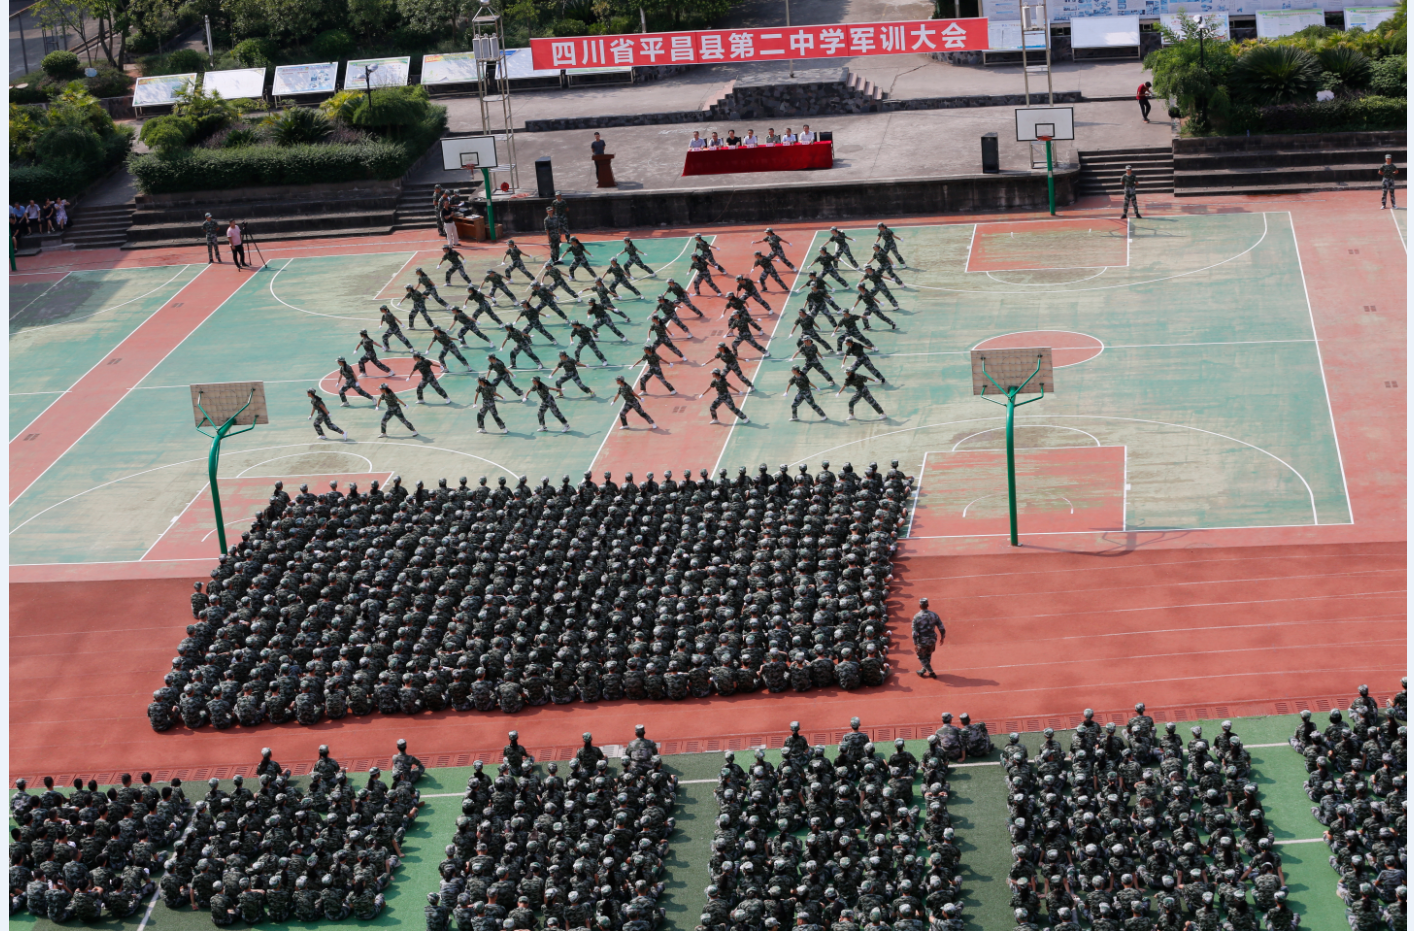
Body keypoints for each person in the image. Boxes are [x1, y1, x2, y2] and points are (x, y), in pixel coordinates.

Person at [911, 598, 945, 678]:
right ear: (927, 605)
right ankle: (922, 671)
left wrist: (915, 643)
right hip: (932, 638)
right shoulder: (934, 615)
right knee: (928, 654)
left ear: (920, 606)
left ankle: (931, 671)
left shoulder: (917, 617)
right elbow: (941, 627)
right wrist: (942, 637)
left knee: (920, 656)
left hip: (922, 640)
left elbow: (914, 632)